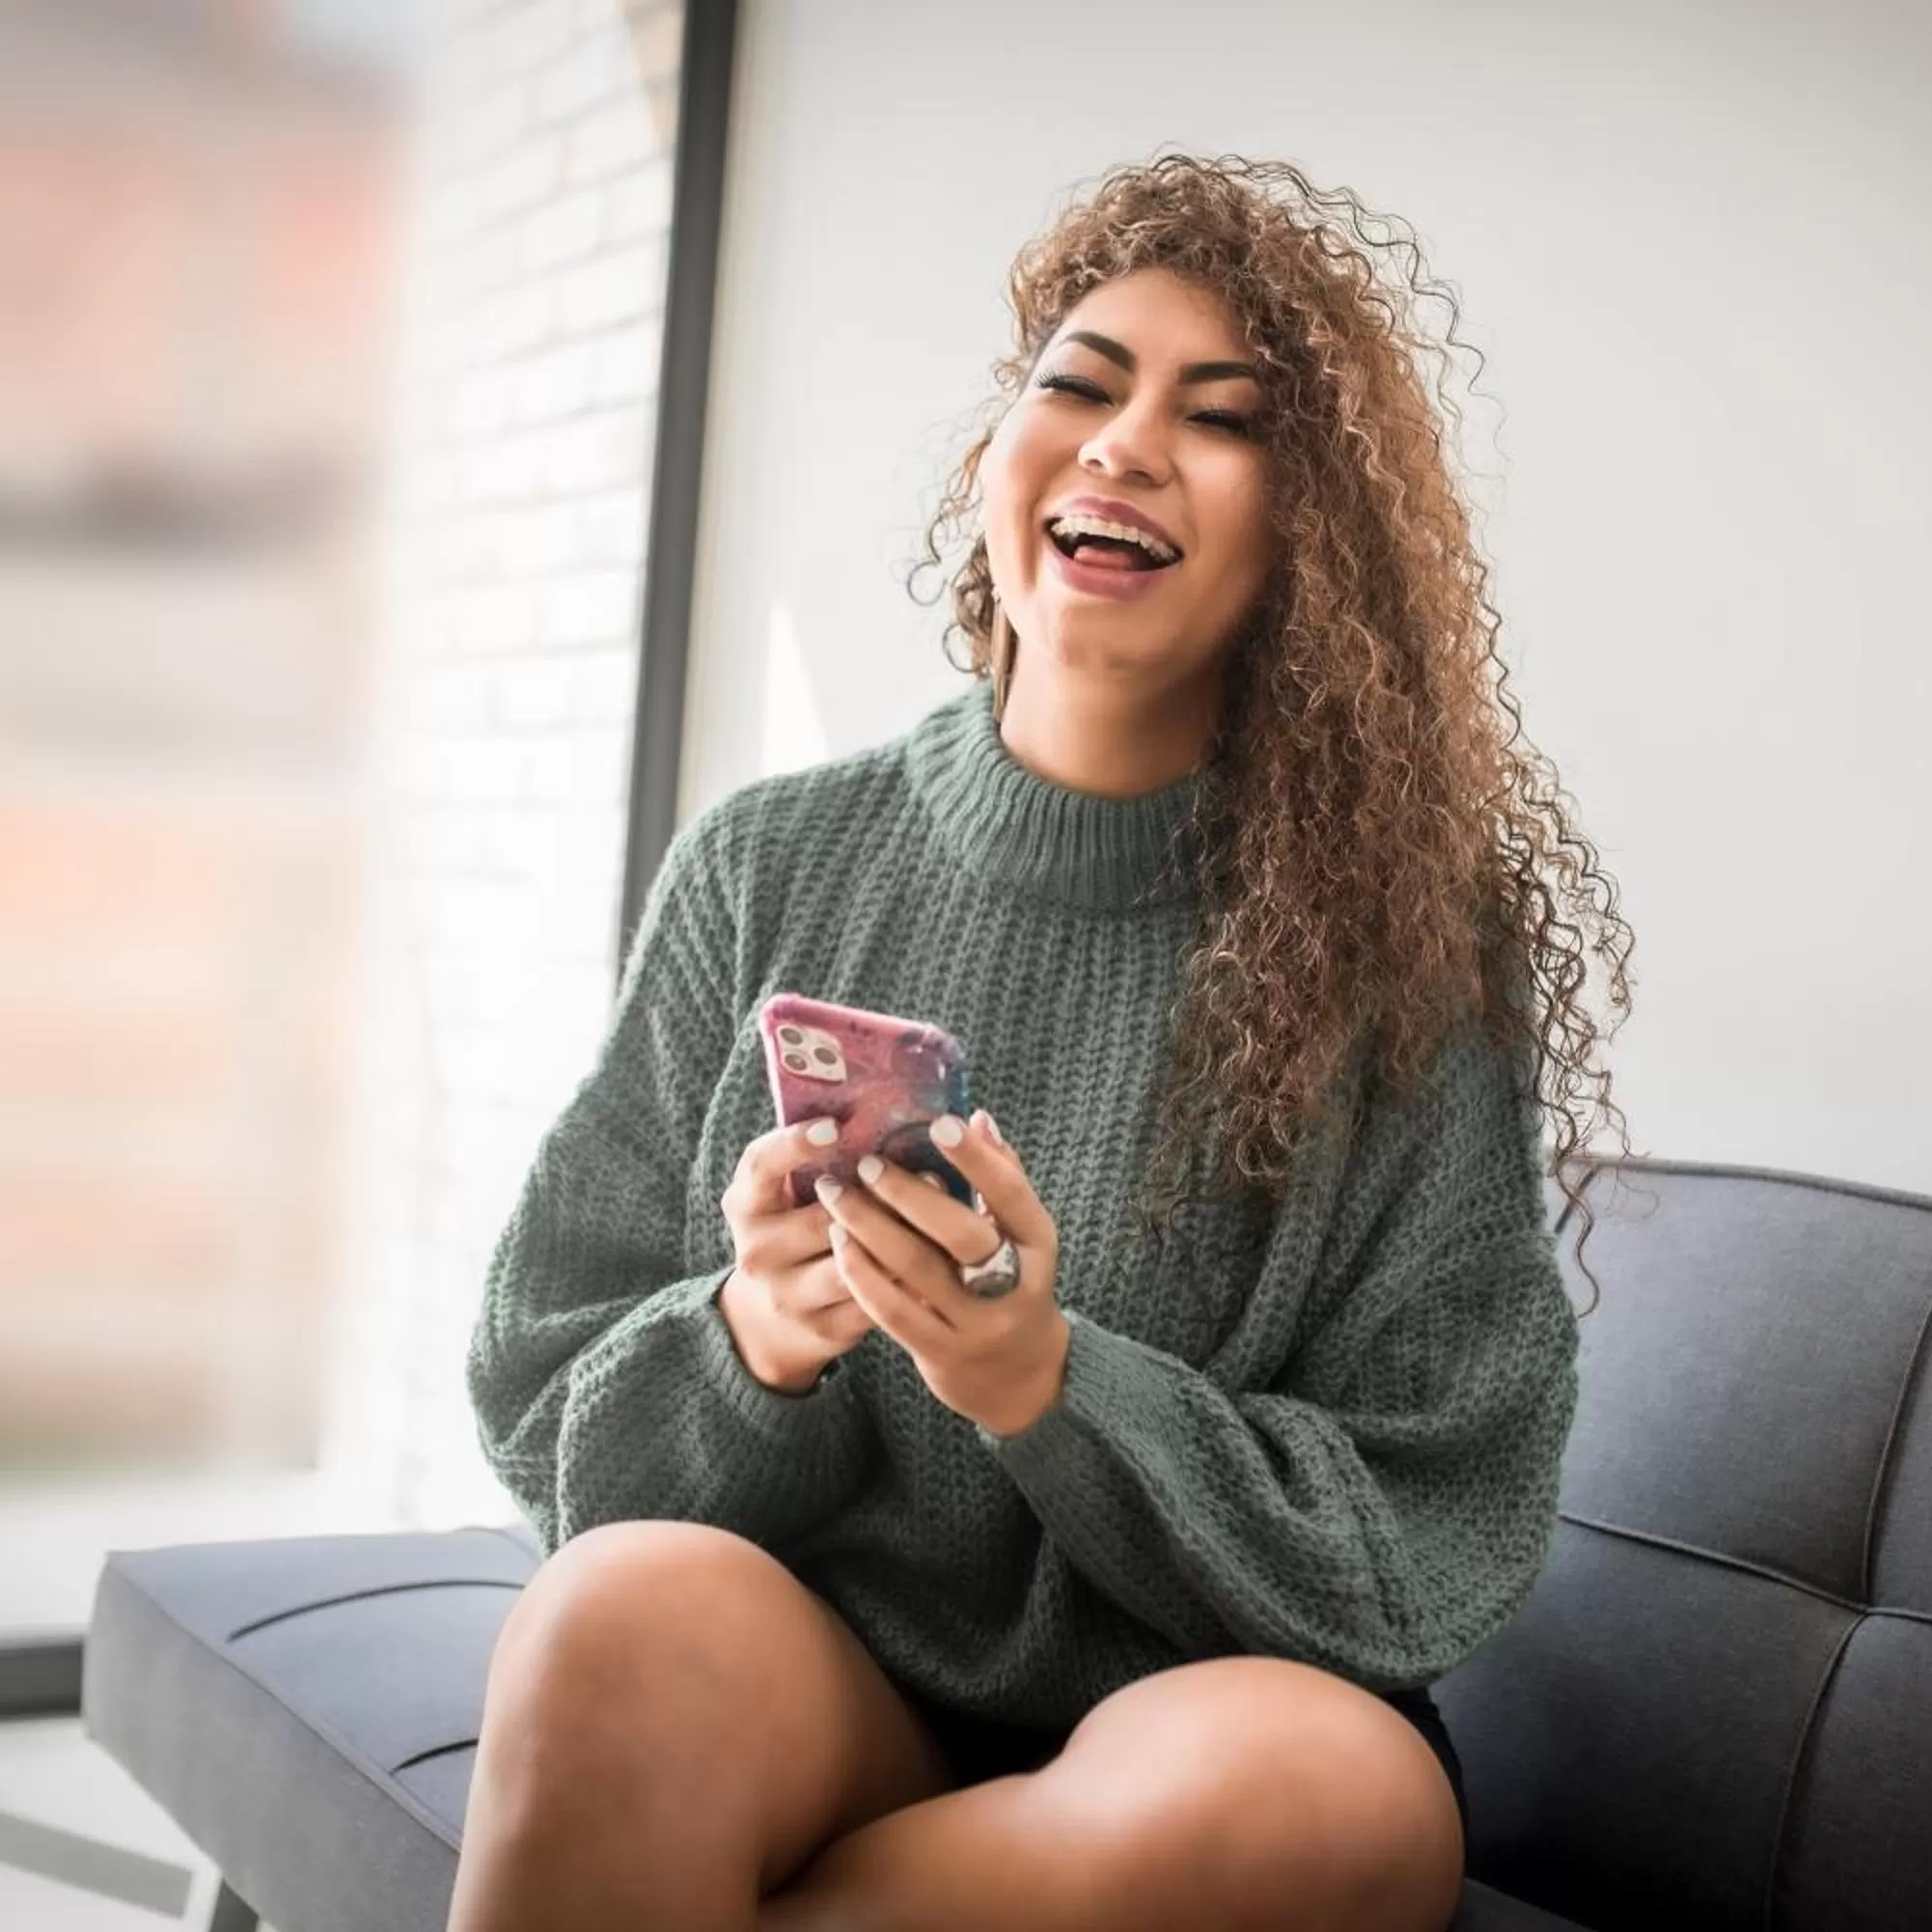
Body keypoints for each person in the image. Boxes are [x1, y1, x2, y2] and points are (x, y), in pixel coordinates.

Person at [449, 152, 1637, 1932]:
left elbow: (1431, 1516)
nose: (1123, 441)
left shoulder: (1413, 958)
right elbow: (551, 1399)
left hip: (1204, 1729)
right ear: (997, 465)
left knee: (1337, 1795)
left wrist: (1042, 1382)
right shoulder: (768, 862)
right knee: (615, 1615)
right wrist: (752, 1335)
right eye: (1078, 383)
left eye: (1218, 420)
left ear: (1309, 548)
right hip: (822, 1688)